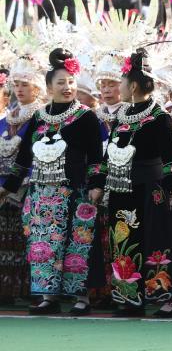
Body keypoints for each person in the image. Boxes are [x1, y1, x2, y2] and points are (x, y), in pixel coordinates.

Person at [0, 49, 104, 316]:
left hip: (76, 191)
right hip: (42, 194)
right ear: (48, 87)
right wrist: (8, 187)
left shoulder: (86, 116)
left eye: (71, 82)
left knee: (77, 242)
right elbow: (23, 160)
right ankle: (49, 295)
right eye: (61, 83)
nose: (68, 87)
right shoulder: (39, 117)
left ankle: (81, 297)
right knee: (44, 244)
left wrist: (96, 185)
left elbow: (96, 156)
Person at [104, 49, 172, 317]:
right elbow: (107, 156)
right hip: (121, 189)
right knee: (123, 240)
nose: (118, 87)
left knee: (155, 241)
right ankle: (129, 297)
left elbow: (171, 157)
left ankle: (165, 299)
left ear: (133, 85)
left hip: (149, 189)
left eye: (121, 82)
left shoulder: (159, 117)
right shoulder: (121, 117)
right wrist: (98, 183)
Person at [0, 56, 46, 304]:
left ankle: (34, 290)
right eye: (16, 84)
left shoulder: (42, 117)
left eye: (25, 85)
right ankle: (7, 291)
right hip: (4, 190)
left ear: (36, 88)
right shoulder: (6, 118)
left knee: (31, 236)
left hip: (31, 185)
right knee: (6, 238)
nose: (19, 89)